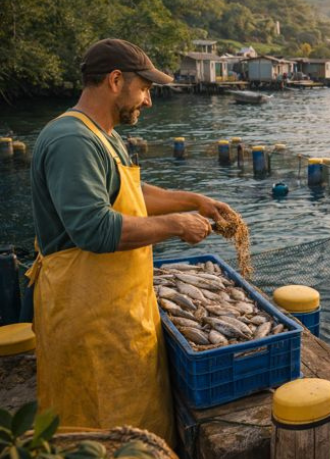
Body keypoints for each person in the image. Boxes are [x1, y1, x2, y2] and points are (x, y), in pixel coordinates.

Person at [25, 38, 237, 444]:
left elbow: (132, 194)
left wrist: (195, 201)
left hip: (117, 312)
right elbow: (93, 227)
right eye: (145, 88)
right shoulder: (72, 141)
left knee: (136, 437)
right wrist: (176, 224)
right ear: (115, 80)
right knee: (95, 437)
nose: (148, 101)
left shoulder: (102, 135)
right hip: (88, 322)